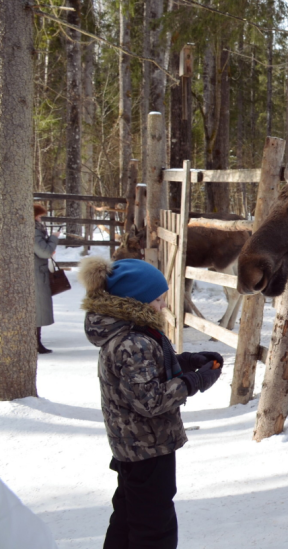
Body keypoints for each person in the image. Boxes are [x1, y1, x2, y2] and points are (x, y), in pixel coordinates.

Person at [80, 256, 223, 549]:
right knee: (154, 528)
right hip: (148, 448)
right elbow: (150, 400)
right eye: (157, 300)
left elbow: (143, 375)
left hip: (131, 446)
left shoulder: (125, 332)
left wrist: (186, 362)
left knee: (128, 516)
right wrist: (194, 381)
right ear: (137, 301)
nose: (162, 306)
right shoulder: (134, 341)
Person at [33, 203, 59, 354]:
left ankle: (36, 342)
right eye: (39, 215)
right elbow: (44, 252)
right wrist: (54, 239)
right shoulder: (34, 231)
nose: (40, 218)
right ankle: (36, 343)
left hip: (37, 272)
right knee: (37, 309)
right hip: (36, 274)